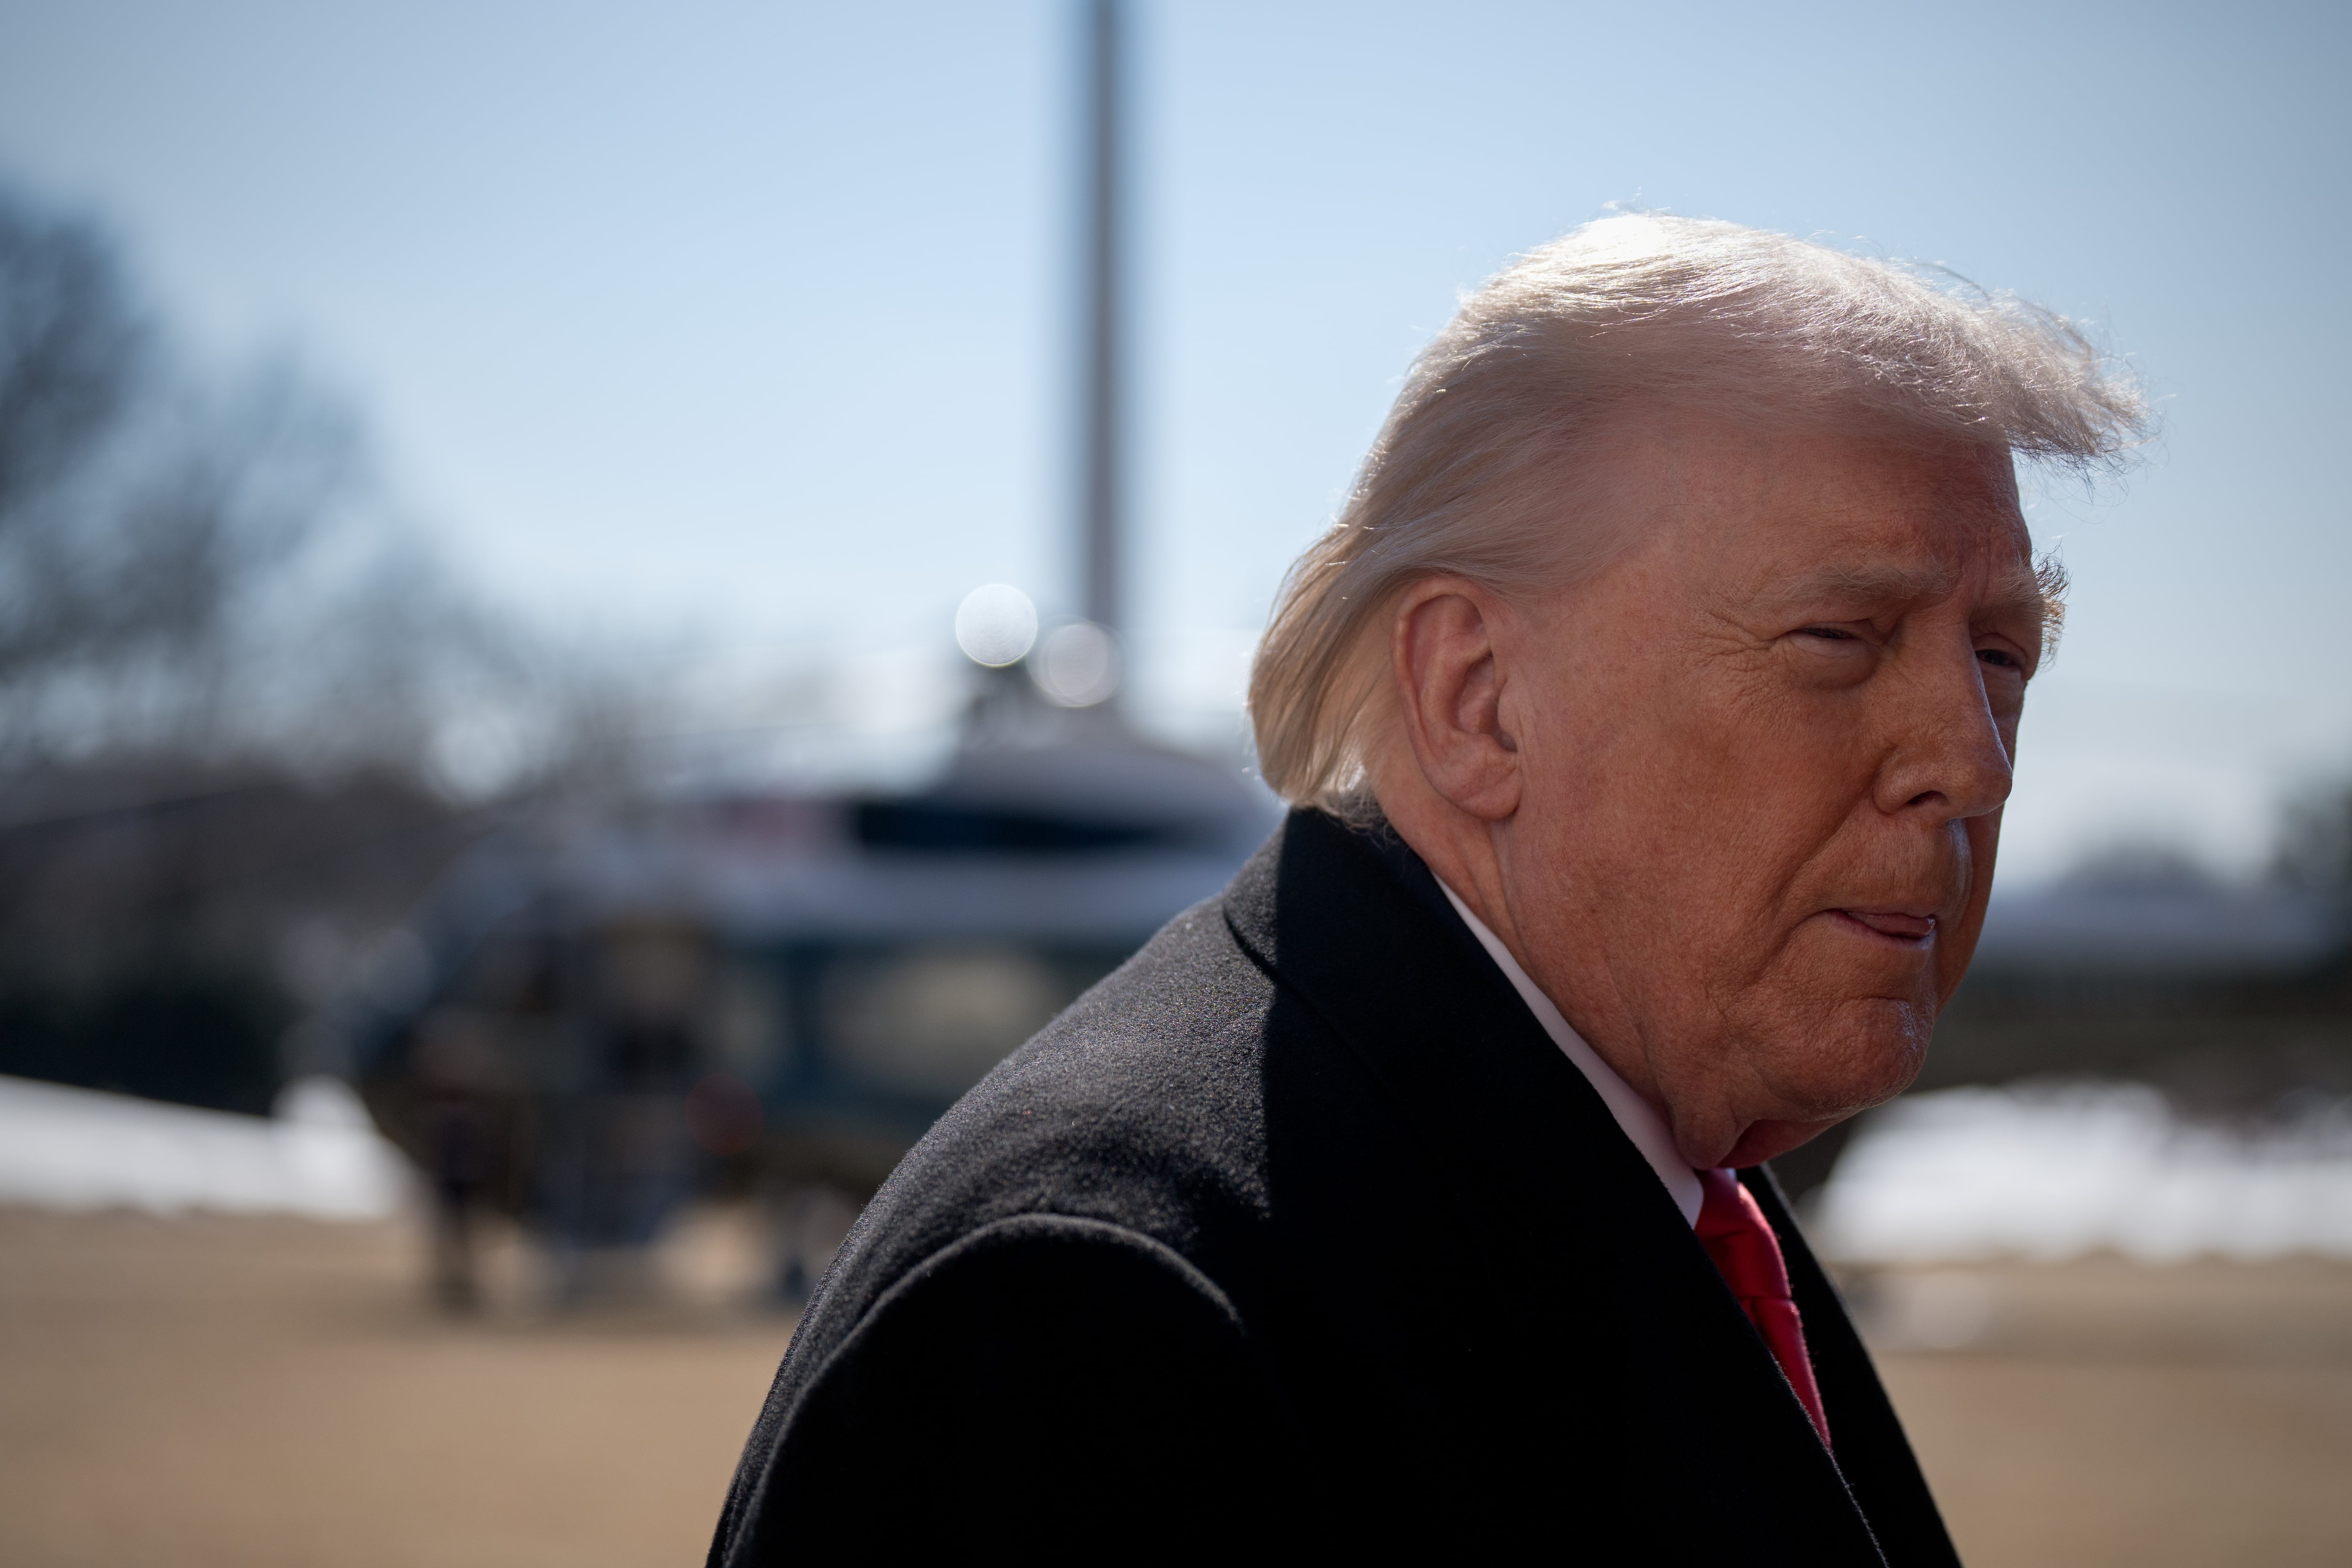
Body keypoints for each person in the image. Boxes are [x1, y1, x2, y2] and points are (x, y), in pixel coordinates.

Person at [706, 214, 2144, 1562]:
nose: (1972, 761)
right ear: (1478, 700)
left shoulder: (1663, 1187)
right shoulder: (1105, 1318)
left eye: (2004, 658)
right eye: (1841, 636)